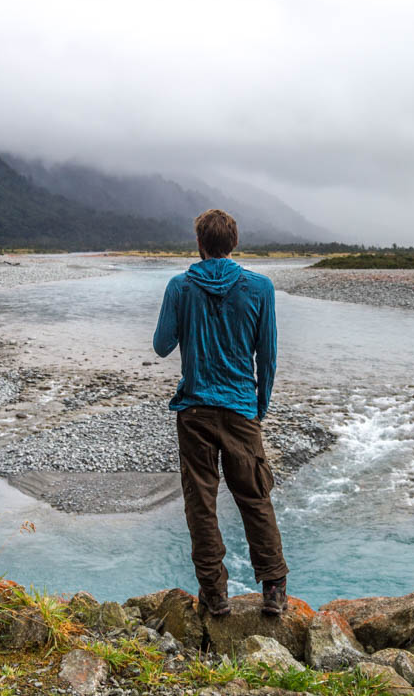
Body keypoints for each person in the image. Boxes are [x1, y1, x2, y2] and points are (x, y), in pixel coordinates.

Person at [152, 208, 288, 617]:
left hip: (194, 410)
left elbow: (161, 345)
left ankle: (214, 596)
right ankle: (274, 591)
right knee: (255, 498)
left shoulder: (180, 287)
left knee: (201, 503)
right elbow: (268, 355)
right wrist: (258, 406)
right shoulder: (260, 288)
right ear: (233, 243)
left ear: (199, 243)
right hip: (241, 411)